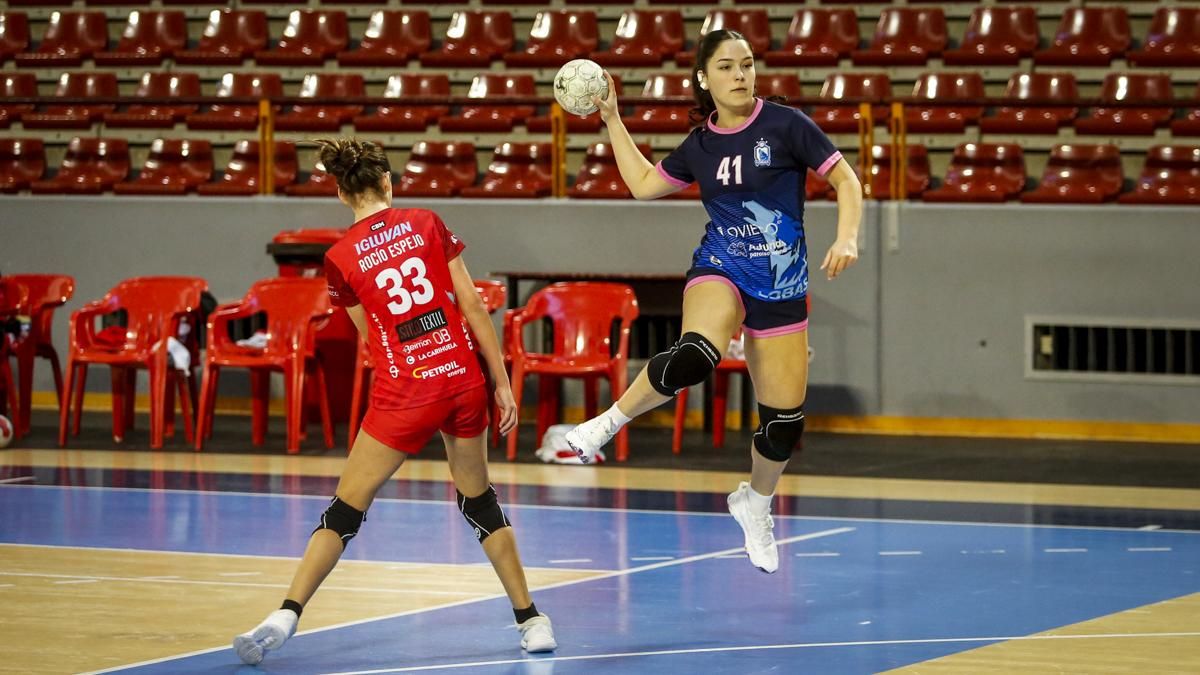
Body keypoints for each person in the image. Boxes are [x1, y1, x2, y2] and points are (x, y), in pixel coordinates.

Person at [233, 139, 556, 665]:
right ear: (389, 182)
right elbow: (473, 305)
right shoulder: (427, 222)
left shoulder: (338, 258)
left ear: (341, 194)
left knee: (344, 512)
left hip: (406, 390)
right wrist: (499, 381)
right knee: (480, 502)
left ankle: (284, 615)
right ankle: (532, 620)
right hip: (461, 378)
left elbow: (371, 336)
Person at [566, 30, 863, 574]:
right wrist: (612, 118)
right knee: (695, 354)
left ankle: (755, 502)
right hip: (720, 267)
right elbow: (642, 185)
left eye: (747, 64)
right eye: (726, 67)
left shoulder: (786, 125)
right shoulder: (700, 145)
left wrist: (847, 237)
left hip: (782, 285)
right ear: (704, 79)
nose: (741, 75)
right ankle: (604, 425)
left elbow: (846, 179)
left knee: (783, 425)